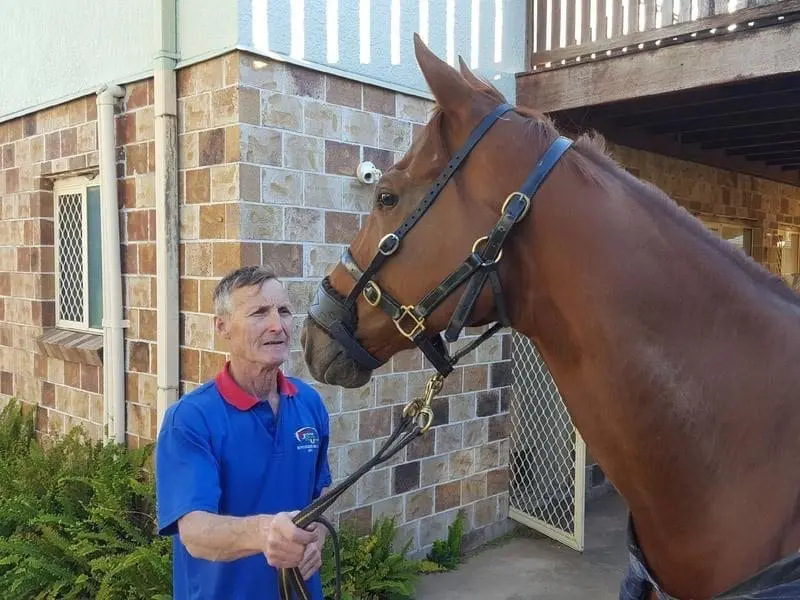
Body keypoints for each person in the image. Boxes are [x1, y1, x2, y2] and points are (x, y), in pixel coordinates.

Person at [155, 265, 332, 600]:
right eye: (258, 312)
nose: (277, 326)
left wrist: (318, 535)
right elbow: (194, 532)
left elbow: (320, 493)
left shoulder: (309, 402)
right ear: (223, 327)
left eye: (284, 311)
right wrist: (267, 533)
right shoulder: (191, 419)